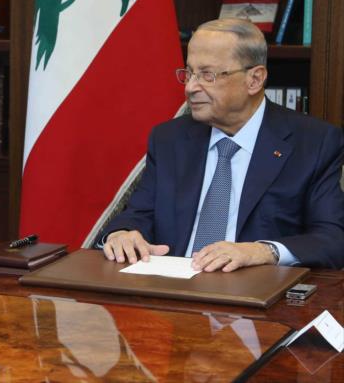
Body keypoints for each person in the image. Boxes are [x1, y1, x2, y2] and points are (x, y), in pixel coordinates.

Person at [99, 18, 344, 272]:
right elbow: (139, 213)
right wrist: (123, 233)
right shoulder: (169, 139)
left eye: (208, 75)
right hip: (171, 286)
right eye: (189, 73)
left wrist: (263, 251)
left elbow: (333, 239)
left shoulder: (313, 143)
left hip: (253, 288)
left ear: (254, 79)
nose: (191, 87)